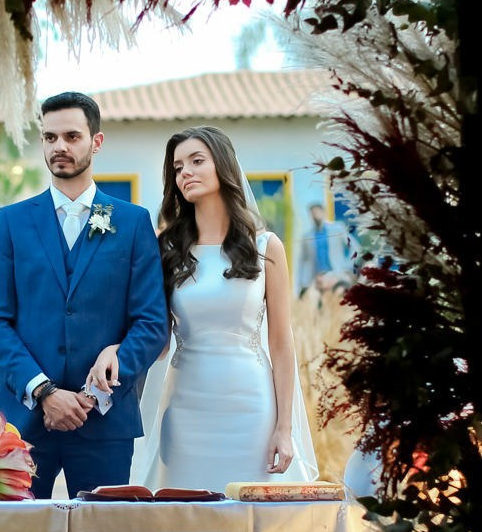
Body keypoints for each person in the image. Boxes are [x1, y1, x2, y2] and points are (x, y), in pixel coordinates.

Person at [102, 125, 319, 491]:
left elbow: (282, 343)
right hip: (185, 408)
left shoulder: (266, 246)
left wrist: (285, 428)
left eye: (196, 161)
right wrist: (115, 349)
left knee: (252, 512)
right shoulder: (166, 249)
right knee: (183, 509)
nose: (185, 172)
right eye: (178, 167)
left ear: (223, 165)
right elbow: (157, 339)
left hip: (252, 407)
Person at [0, 91, 168, 498]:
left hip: (104, 423)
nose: (59, 146)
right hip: (22, 423)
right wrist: (44, 393)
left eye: (71, 136)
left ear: (96, 142)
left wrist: (92, 396)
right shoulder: (11, 222)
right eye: (50, 137)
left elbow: (151, 323)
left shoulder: (132, 222)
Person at [296, 201, 354, 294]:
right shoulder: (307, 236)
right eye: (312, 214)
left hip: (336, 276)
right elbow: (302, 261)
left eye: (317, 212)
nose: (315, 216)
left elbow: (354, 248)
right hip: (318, 279)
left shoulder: (337, 229)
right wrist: (302, 282)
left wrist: (346, 267)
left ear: (323, 212)